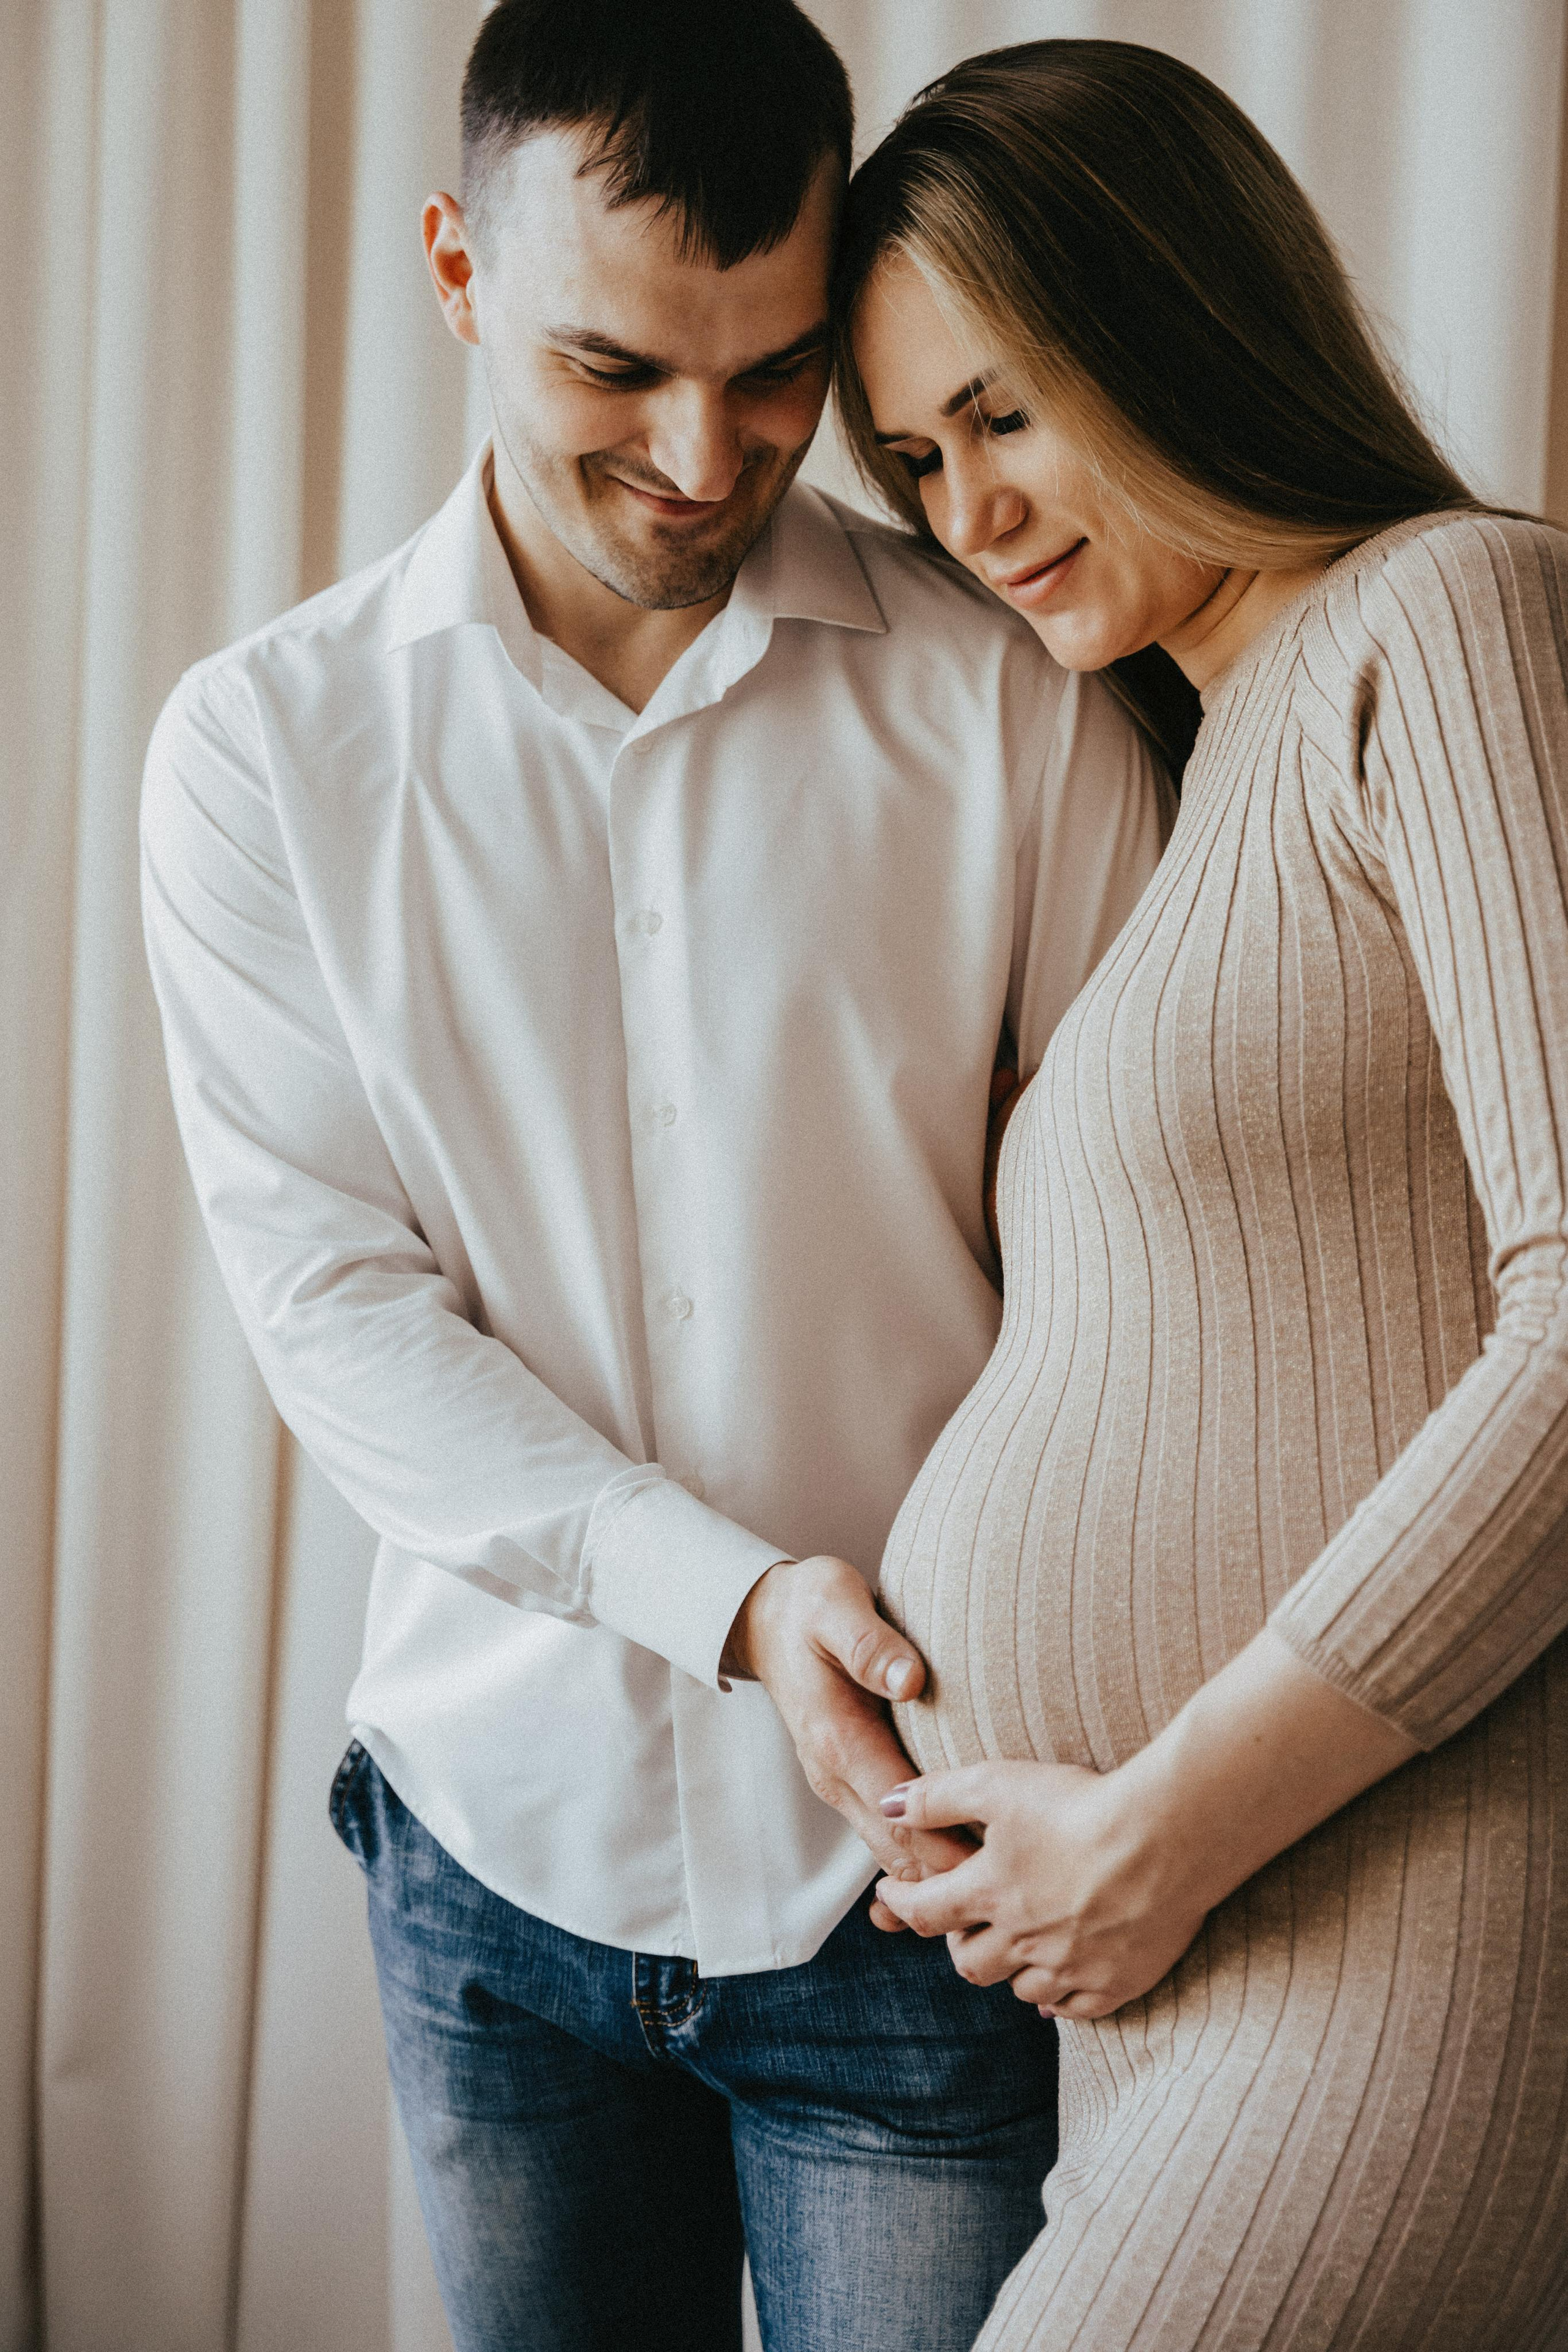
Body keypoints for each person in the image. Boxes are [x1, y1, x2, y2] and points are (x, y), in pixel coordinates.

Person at [139, 7, 1168, 2350]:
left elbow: (1138, 1262)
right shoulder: (265, 756)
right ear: (456, 268)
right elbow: (340, 1316)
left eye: (780, 372)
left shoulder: (1015, 692)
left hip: (922, 1884)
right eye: (617, 367)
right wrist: (730, 1598)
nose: (704, 456)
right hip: (491, 1865)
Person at [837, 37, 1568, 2352]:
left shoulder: (1446, 622)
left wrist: (1163, 1827)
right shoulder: (1198, 758)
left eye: (1008, 412)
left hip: (1383, 1925)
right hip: (1162, 1981)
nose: (969, 510)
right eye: (917, 456)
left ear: (1172, 317)